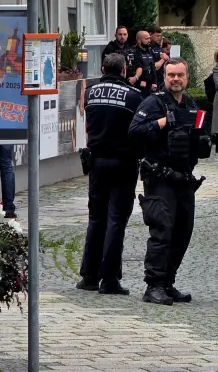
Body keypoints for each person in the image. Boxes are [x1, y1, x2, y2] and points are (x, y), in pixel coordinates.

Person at [129, 58, 210, 305]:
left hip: (184, 179)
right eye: (171, 75)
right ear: (164, 77)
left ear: (187, 78)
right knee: (161, 231)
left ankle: (167, 282)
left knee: (182, 233)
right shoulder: (153, 103)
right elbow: (134, 132)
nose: (176, 79)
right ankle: (153, 286)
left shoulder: (191, 104)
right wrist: (161, 123)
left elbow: (199, 135)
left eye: (180, 75)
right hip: (159, 178)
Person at [76, 53, 143, 296]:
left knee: (96, 218)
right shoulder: (133, 96)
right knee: (116, 220)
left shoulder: (91, 92)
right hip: (124, 163)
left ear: (103, 68)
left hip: (96, 162)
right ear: (124, 70)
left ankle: (89, 275)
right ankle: (110, 278)